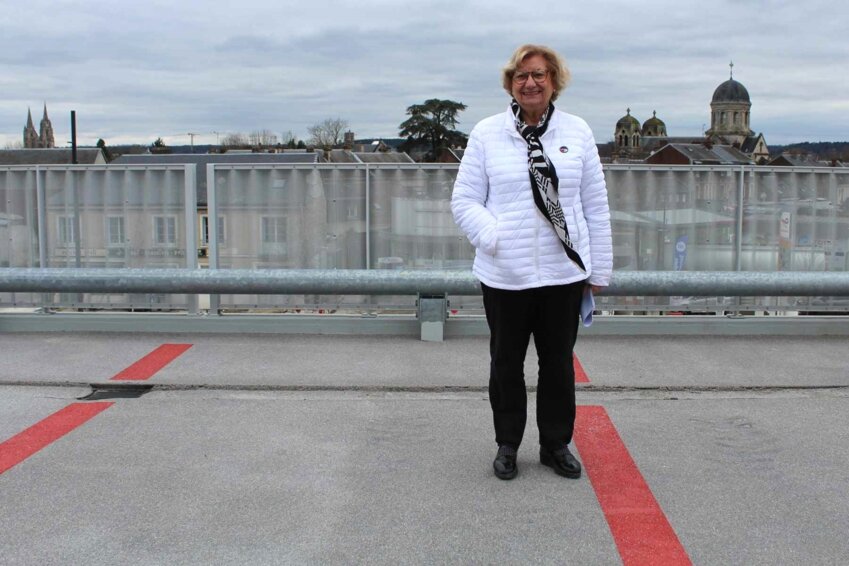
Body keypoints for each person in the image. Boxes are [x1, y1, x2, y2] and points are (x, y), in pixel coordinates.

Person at [451, 44, 612, 480]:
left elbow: (595, 206)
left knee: (558, 363)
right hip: (505, 274)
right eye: (521, 76)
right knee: (506, 363)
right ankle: (508, 444)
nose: (531, 83)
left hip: (563, 272)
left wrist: (599, 269)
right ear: (510, 84)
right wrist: (494, 236)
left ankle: (555, 444)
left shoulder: (576, 132)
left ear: (554, 81)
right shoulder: (487, 133)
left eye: (539, 75)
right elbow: (464, 200)